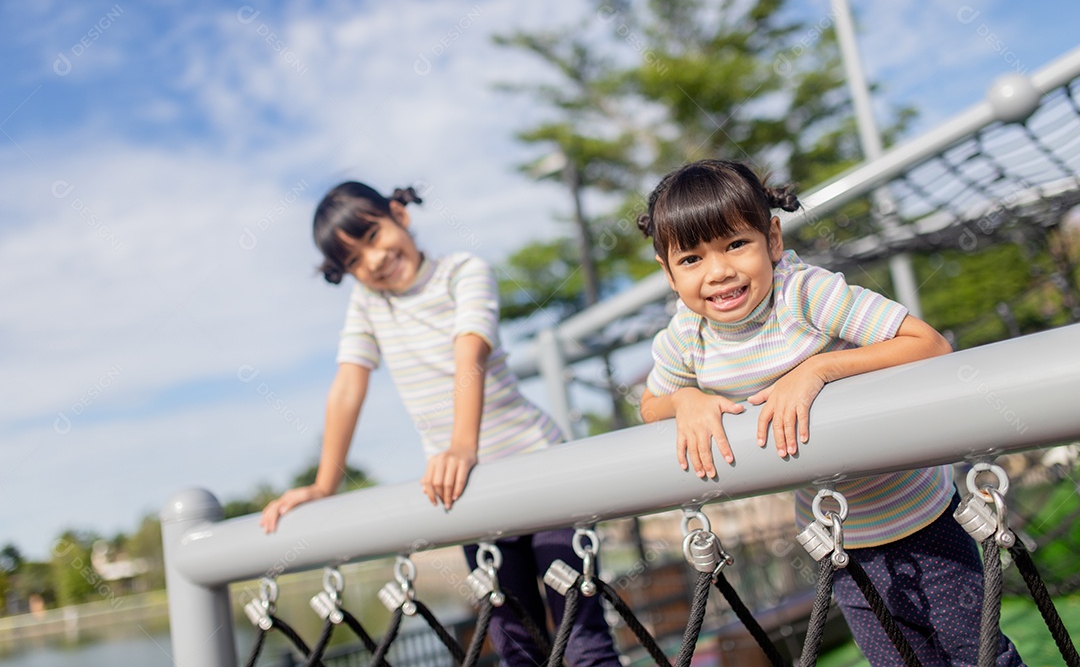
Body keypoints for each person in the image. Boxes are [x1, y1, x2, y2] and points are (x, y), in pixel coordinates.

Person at [636, 160, 1024, 666]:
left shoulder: (804, 294)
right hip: (836, 540)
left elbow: (928, 345)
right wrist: (684, 399)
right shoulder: (687, 335)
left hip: (921, 516)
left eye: (736, 244)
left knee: (979, 657)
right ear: (668, 273)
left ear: (772, 239)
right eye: (691, 259)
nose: (718, 271)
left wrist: (819, 369)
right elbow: (649, 406)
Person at [259, 181, 621, 667]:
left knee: (582, 642)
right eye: (352, 262)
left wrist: (460, 447)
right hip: (470, 497)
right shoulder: (369, 304)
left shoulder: (462, 272)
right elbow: (348, 385)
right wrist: (324, 485)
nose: (371, 261)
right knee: (517, 648)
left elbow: (468, 351)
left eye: (372, 236)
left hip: (538, 471)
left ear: (399, 217)